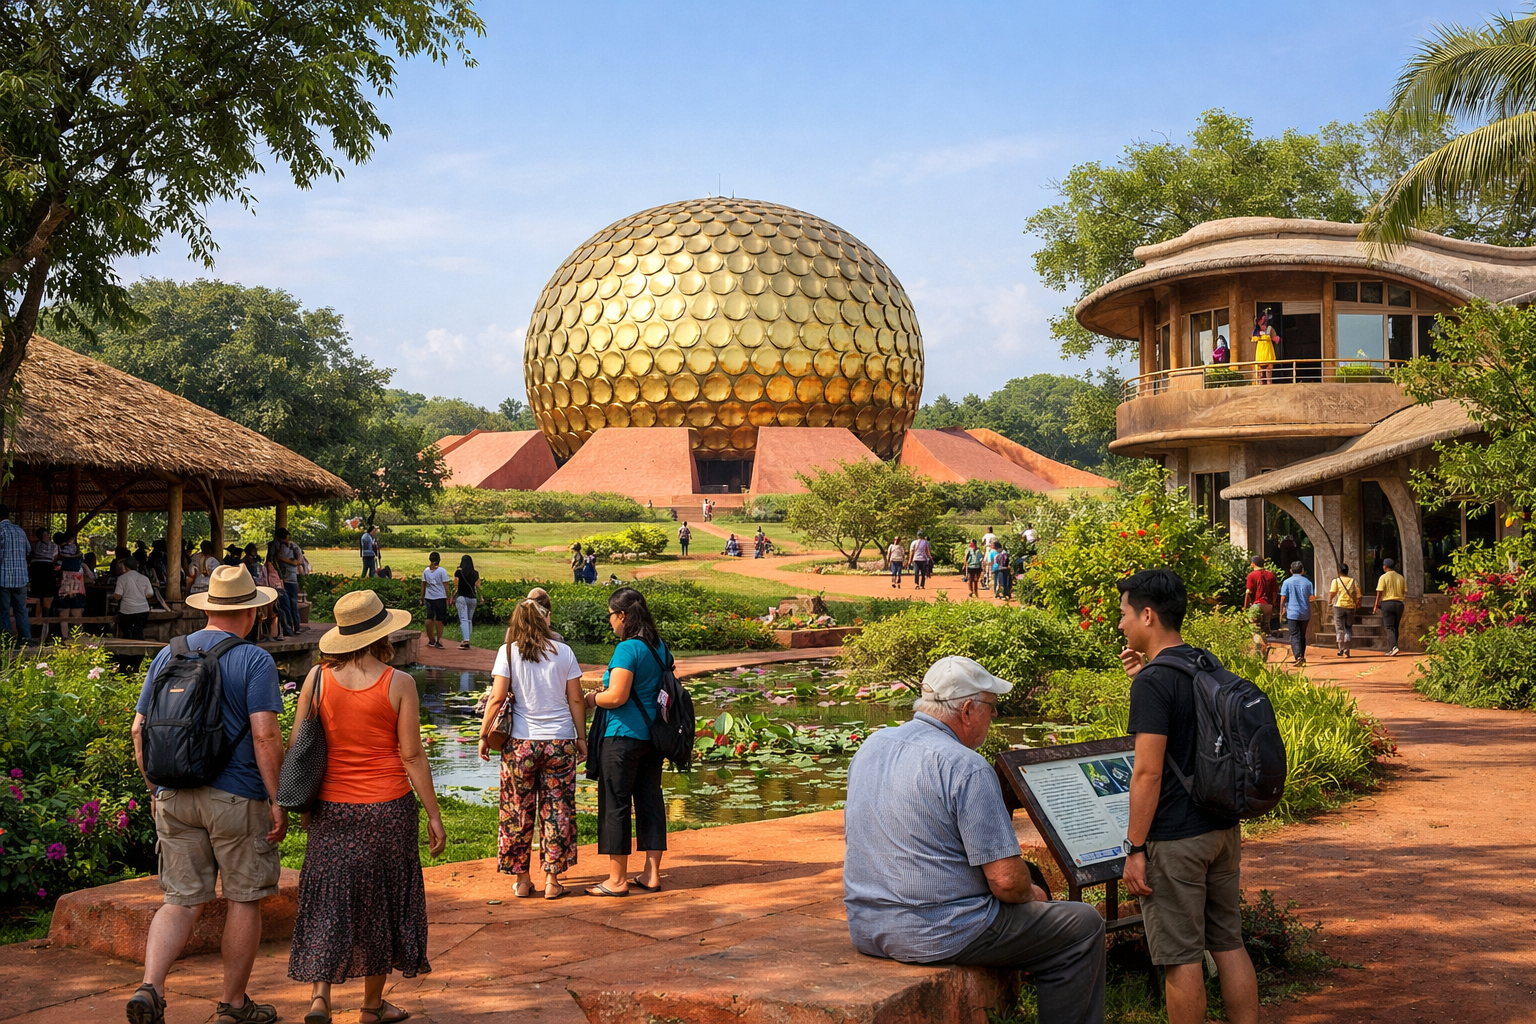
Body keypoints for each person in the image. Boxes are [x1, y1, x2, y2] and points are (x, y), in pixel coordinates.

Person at [843, 655, 1106, 1024]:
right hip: (936, 931)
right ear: (967, 710)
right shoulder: (967, 767)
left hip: (867, 926)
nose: (993, 716)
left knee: (1027, 878)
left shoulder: (873, 745)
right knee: (1083, 924)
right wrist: (1033, 896)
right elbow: (1006, 882)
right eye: (991, 707)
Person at [126, 566, 287, 1024]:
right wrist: (277, 799)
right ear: (252, 612)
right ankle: (232, 1006)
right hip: (236, 798)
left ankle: (151, 987)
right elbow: (265, 736)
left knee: (181, 899)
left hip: (174, 794)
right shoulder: (254, 660)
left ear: (209, 608)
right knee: (243, 898)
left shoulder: (168, 654)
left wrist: (156, 789)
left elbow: (139, 729)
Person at [287, 590, 445, 1024]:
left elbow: (299, 745)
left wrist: (301, 803)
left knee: (328, 898)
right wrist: (433, 814)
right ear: (381, 634)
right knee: (382, 903)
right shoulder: (399, 683)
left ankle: (320, 998)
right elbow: (411, 755)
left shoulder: (317, 679)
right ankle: (372, 1006)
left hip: (331, 808)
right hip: (388, 808)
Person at [1116, 569, 1259, 1024]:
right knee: (1229, 942)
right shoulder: (1203, 663)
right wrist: (1144, 676)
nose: (1120, 624)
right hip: (1221, 827)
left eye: (1124, 613)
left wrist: (1135, 848)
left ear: (1148, 615)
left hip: (1176, 839)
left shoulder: (1154, 682)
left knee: (1181, 957)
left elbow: (1148, 772)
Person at [477, 599, 586, 899]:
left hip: (520, 744)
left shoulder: (508, 652)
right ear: (543, 620)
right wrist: (581, 737)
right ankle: (552, 880)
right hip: (559, 742)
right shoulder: (564, 652)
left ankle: (522, 880)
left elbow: (497, 698)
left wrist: (484, 735)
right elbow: (576, 699)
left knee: (517, 810)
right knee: (558, 809)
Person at [581, 587, 669, 897]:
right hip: (653, 738)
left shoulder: (627, 649)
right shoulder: (660, 647)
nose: (610, 622)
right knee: (650, 801)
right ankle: (651, 874)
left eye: (610, 616)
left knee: (615, 804)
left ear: (622, 615)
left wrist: (592, 699)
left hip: (621, 737)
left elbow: (617, 696)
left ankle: (617, 880)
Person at [112, 557, 164, 639]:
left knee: (128, 633)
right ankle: (140, 645)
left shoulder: (122, 578)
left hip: (127, 611)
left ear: (125, 567)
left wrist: (115, 597)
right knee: (139, 631)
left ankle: (128, 645)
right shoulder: (145, 578)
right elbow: (150, 594)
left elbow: (118, 595)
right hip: (142, 610)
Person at [0, 505, 30, 645]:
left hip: (3, 578)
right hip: (21, 578)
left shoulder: (1, 531)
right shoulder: (20, 531)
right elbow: (28, 550)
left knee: (3, 611)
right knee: (21, 610)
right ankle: (25, 639)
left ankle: (7, 641)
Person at [1279, 561, 1314, 667]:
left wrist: (1282, 610)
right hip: (1305, 613)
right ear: (1302, 570)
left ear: (1291, 571)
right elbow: (1312, 598)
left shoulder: (1287, 582)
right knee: (1302, 635)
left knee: (1294, 635)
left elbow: (1283, 598)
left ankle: (1298, 656)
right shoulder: (1308, 582)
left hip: (1292, 613)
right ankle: (1302, 656)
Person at [272, 529, 304, 637]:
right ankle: (292, 628)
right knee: (289, 605)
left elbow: (298, 561)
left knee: (289, 605)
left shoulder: (290, 546)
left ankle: (292, 628)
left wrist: (281, 559)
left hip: (286, 580)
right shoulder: (281, 546)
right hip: (287, 580)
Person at [29, 526, 58, 641]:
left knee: (47, 603)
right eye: (44, 535)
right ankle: (36, 632)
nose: (46, 537)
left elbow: (55, 557)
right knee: (37, 603)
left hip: (47, 572)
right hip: (38, 572)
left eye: (47, 534)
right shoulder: (35, 545)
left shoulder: (53, 545)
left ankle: (45, 632)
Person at [1373, 557, 1406, 656]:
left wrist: (1376, 605)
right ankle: (1393, 648)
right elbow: (1404, 591)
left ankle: (1393, 647)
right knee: (1395, 626)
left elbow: (1379, 592)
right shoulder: (1400, 577)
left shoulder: (1383, 577)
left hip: (1387, 603)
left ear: (1385, 566)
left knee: (1389, 627)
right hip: (1399, 603)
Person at [55, 532, 86, 640]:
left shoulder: (59, 558)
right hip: (75, 590)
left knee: (65, 617)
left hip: (64, 589)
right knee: (76, 617)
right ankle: (77, 639)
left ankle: (66, 638)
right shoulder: (79, 561)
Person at [1329, 564, 1362, 657]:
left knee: (1339, 628)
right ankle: (1347, 649)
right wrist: (1357, 604)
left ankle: (1340, 649)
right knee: (1348, 628)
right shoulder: (1353, 581)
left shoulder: (1336, 581)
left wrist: (1330, 601)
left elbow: (1332, 593)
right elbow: (1359, 595)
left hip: (1339, 606)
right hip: (1350, 607)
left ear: (1339, 571)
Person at [1242, 556, 1278, 638]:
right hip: (1268, 605)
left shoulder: (1251, 575)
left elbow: (1248, 591)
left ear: (1253, 564)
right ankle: (1268, 640)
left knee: (1254, 627)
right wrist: (1273, 604)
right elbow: (1275, 591)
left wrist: (1246, 606)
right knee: (1266, 627)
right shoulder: (1271, 575)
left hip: (1256, 604)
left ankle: (1258, 643)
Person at [420, 551, 450, 649]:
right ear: (439, 560)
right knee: (439, 619)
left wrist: (422, 597)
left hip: (429, 597)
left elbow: (423, 585)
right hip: (440, 597)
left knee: (429, 618)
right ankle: (439, 639)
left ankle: (431, 639)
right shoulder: (442, 571)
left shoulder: (426, 571)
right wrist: (448, 597)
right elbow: (446, 585)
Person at [453, 555, 480, 650]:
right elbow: (478, 586)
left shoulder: (458, 572)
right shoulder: (475, 573)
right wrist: (481, 596)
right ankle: (467, 638)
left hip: (461, 597)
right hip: (472, 598)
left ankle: (466, 640)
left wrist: (453, 595)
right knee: (469, 619)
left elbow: (456, 585)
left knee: (463, 619)